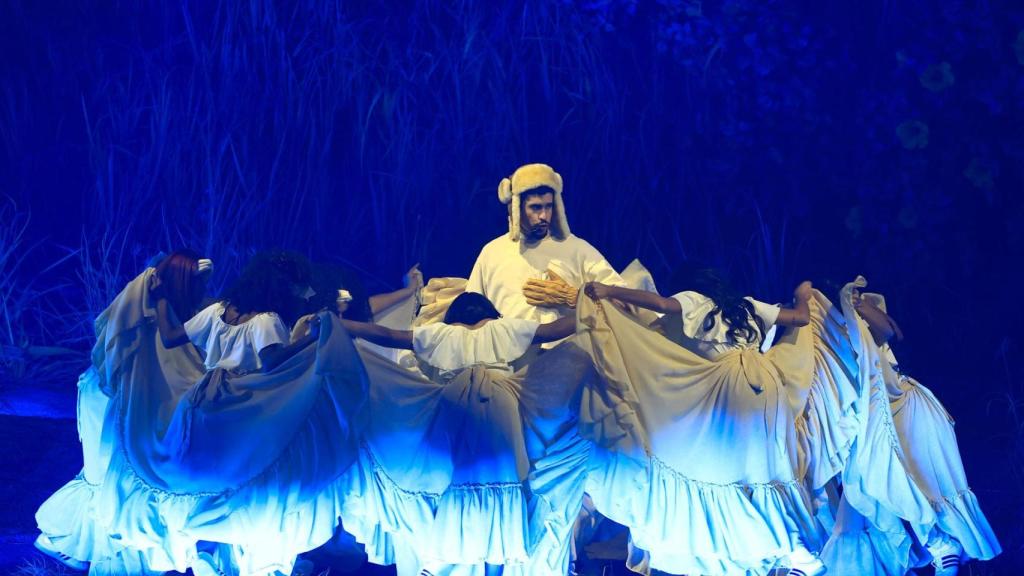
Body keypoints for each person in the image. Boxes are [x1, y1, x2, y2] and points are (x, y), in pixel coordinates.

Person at [93, 249, 367, 576]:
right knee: (249, 473)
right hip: (239, 403)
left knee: (202, 474)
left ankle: (210, 552)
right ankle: (241, 556)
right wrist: (312, 341)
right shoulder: (267, 320)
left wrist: (162, 299)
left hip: (200, 401)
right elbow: (272, 362)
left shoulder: (217, 311)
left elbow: (169, 337)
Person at [581, 266, 826, 575]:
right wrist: (802, 296)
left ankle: (749, 547)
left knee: (712, 465)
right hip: (766, 389)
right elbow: (800, 319)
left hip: (728, 389)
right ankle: (796, 549)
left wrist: (610, 291)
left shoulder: (695, 301)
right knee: (764, 468)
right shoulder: (746, 305)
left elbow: (661, 305)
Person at [34, 250, 213, 575]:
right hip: (110, 401)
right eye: (199, 283)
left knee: (117, 480)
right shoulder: (146, 313)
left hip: (118, 399)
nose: (204, 289)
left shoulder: (170, 312)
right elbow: (136, 360)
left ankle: (75, 545)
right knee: (111, 478)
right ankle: (83, 549)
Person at [820, 279, 1000, 576]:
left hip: (897, 406)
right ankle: (915, 553)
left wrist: (856, 303)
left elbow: (891, 332)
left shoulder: (860, 318)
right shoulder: (824, 337)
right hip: (861, 422)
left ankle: (939, 544)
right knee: (866, 492)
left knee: (906, 479)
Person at [466, 163, 625, 329]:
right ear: (516, 207)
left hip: (569, 352)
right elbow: (471, 313)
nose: (543, 216)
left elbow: (623, 302)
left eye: (548, 206)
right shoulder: (492, 253)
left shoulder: (576, 248)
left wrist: (577, 298)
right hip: (511, 353)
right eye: (535, 207)